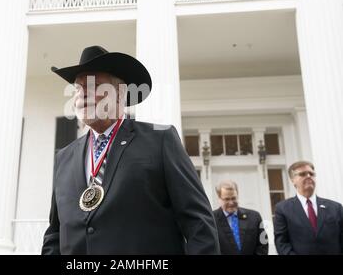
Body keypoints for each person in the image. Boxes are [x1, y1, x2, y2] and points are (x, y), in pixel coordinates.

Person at [41, 45, 220, 255]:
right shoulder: (64, 157)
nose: (82, 95)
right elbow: (55, 234)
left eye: (94, 86)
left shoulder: (160, 140)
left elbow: (198, 223)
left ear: (119, 94)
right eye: (79, 88)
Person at [274, 161, 343, 255]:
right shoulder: (282, 209)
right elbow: (281, 243)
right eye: (302, 174)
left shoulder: (336, 207)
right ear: (293, 180)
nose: (308, 176)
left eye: (311, 174)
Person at [213, 180, 268, 255]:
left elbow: (263, 243)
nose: (231, 202)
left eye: (233, 198)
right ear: (219, 198)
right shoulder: (211, 219)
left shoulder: (254, 217)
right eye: (227, 199)